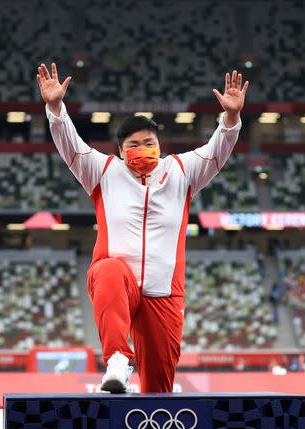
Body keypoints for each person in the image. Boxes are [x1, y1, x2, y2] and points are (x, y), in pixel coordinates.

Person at [37, 63, 249, 393]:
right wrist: (55, 109)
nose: (141, 150)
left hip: (163, 293)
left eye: (148, 142)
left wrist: (231, 120)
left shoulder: (182, 171)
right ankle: (118, 360)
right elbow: (70, 144)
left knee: (159, 390)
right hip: (117, 283)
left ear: (160, 145)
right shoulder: (103, 172)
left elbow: (216, 152)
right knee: (108, 270)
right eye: (133, 145)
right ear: (120, 152)